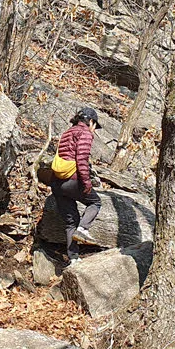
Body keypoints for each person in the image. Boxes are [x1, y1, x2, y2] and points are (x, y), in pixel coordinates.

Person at [52, 107, 102, 263]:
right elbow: (81, 159)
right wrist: (86, 183)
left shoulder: (67, 132)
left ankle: (73, 259)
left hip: (57, 182)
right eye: (95, 125)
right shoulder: (85, 133)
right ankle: (83, 228)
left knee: (71, 221)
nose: (94, 129)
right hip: (72, 180)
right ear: (91, 122)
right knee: (95, 202)